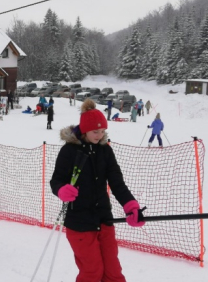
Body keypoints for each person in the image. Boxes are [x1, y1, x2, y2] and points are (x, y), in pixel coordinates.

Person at [50, 98, 144, 281]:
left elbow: (117, 183)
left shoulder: (105, 151)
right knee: (92, 272)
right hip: (79, 222)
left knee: (113, 272)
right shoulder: (69, 151)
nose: (99, 135)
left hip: (104, 219)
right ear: (84, 129)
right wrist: (62, 189)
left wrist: (131, 205)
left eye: (102, 131)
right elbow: (56, 180)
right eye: (95, 131)